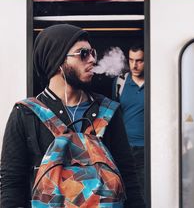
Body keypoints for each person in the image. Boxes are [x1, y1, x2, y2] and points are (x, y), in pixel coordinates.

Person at [0, 24, 144, 208]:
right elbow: (12, 183)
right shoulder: (25, 114)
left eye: (92, 52)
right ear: (58, 61)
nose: (92, 59)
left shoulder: (108, 110)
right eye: (83, 53)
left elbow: (128, 178)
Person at [112, 44, 145, 204]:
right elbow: (113, 113)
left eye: (139, 61)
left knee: (142, 194)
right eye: (131, 60)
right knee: (122, 192)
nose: (134, 65)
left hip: (147, 149)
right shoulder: (121, 82)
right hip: (125, 148)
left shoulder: (155, 83)